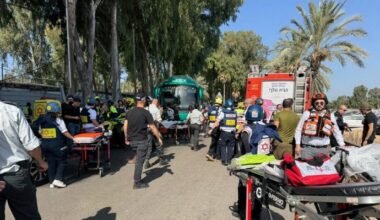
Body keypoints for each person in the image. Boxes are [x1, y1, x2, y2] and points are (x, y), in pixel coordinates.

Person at [0, 100, 48, 220]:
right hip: (16, 174)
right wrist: (40, 162)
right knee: (27, 215)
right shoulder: (11, 111)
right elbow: (32, 145)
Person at [124, 93, 163, 189]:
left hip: (132, 141)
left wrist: (126, 138)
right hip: (141, 140)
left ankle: (137, 179)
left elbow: (125, 125)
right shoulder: (146, 113)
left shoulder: (129, 112)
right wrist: (158, 138)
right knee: (139, 162)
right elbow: (153, 127)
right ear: (144, 101)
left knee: (138, 159)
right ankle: (137, 182)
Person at [33, 102, 74, 188]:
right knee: (62, 161)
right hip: (57, 144)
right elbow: (64, 132)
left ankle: (51, 181)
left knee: (51, 162)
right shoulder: (58, 120)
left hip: (44, 144)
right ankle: (58, 179)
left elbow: (37, 130)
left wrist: (41, 136)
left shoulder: (41, 119)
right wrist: (73, 138)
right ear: (56, 111)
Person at [294, 93, 345, 160]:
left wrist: (342, 144)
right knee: (307, 169)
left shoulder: (330, 115)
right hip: (307, 149)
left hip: (324, 149)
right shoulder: (307, 114)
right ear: (313, 104)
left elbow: (336, 131)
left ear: (325, 103)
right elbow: (298, 130)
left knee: (323, 169)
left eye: (321, 103)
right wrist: (297, 145)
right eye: (317, 103)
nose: (319, 105)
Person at [209, 99, 237, 166]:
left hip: (224, 133)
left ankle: (224, 161)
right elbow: (238, 122)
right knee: (230, 146)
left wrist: (211, 129)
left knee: (223, 146)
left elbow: (217, 122)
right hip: (232, 133)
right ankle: (229, 160)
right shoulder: (235, 113)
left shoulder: (223, 113)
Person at [145, 98, 164, 169]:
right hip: (154, 128)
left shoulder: (146, 108)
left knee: (149, 145)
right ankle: (161, 160)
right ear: (156, 103)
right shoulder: (156, 109)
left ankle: (146, 162)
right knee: (158, 144)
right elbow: (159, 120)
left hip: (146, 129)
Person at [205, 96, 223, 161]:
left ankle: (214, 155)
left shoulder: (210, 108)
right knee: (216, 141)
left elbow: (206, 117)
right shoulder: (220, 109)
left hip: (210, 126)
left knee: (214, 140)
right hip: (216, 126)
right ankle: (210, 153)